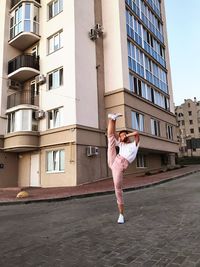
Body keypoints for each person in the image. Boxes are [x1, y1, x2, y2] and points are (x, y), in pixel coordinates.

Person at [107, 113, 140, 224]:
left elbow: (136, 133)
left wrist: (126, 135)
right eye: (121, 136)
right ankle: (112, 118)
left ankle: (121, 215)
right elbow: (113, 134)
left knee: (118, 188)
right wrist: (119, 135)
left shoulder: (134, 144)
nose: (121, 137)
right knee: (110, 137)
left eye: (123, 135)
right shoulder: (121, 144)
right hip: (114, 159)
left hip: (119, 167)